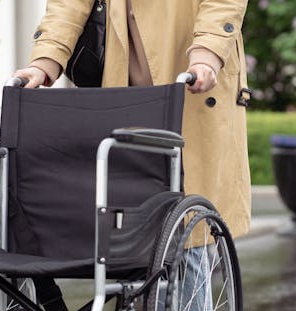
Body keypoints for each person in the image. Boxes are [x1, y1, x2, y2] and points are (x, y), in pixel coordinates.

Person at [13, 0, 251, 240]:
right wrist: (44, 61)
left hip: (190, 70)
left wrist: (207, 52)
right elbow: (68, 5)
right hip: (125, 80)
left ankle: (191, 269)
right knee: (126, 217)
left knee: (190, 225)